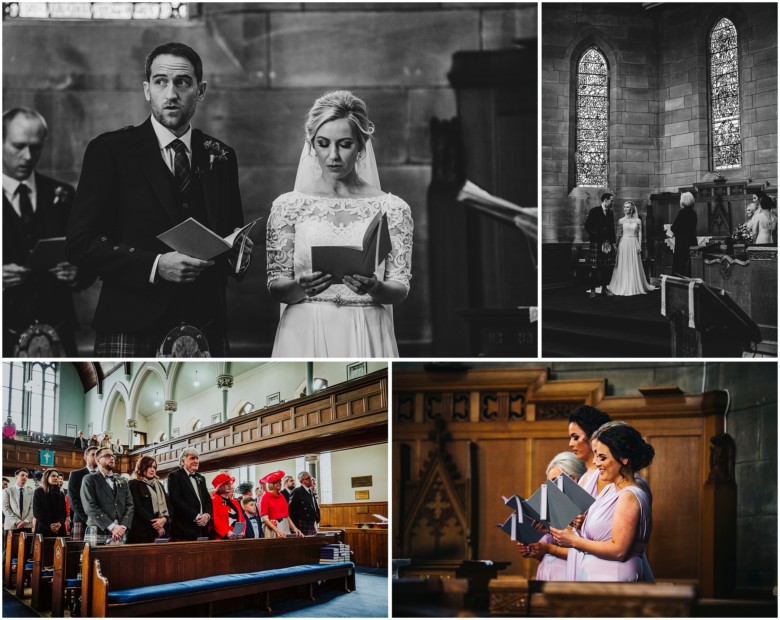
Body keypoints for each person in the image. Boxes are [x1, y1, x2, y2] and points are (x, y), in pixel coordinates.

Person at [66, 42, 252, 357]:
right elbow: (80, 244)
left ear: (200, 89)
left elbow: (231, 236)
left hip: (205, 321)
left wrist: (239, 254)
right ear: (147, 89)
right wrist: (155, 265)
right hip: (130, 321)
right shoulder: (110, 151)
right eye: (160, 81)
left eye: (182, 82)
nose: (171, 93)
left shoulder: (221, 156)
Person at [267, 90, 413, 357]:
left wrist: (376, 288)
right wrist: (301, 286)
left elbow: (400, 287)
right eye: (323, 144)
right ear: (312, 145)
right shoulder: (287, 206)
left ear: (361, 145)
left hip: (367, 323)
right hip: (304, 327)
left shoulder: (392, 208)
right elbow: (277, 285)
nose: (333, 155)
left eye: (344, 144)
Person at [2, 107, 90, 356]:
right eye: (18, 146)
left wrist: (77, 273)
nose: (28, 156)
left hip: (57, 328)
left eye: (35, 147)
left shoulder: (61, 194)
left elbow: (88, 255)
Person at [551, 423, 655, 582]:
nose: (597, 463)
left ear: (624, 458)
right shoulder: (611, 490)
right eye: (596, 456)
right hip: (597, 576)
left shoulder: (629, 495)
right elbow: (608, 530)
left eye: (603, 457)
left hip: (615, 577)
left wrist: (573, 540)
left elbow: (619, 550)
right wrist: (583, 524)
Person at [517, 452, 587, 580]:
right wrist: (533, 548)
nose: (552, 488)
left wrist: (548, 548)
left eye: (555, 481)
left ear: (573, 479)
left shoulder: (586, 508)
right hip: (547, 575)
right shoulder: (553, 508)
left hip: (570, 576)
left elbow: (586, 554)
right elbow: (545, 554)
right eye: (550, 483)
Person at [80, 448, 134, 543]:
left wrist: (123, 526)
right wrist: (112, 527)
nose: (112, 458)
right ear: (97, 460)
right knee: (94, 558)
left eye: (113, 456)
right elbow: (90, 506)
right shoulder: (89, 479)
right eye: (107, 456)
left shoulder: (122, 480)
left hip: (120, 530)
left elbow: (130, 505)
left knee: (119, 558)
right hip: (98, 528)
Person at [606, 201, 655, 296]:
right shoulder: (621, 220)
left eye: (628, 207)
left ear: (632, 209)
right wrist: (615, 245)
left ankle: (634, 285)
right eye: (624, 207)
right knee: (624, 263)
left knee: (634, 264)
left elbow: (640, 234)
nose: (625, 209)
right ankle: (622, 284)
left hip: (634, 243)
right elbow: (618, 234)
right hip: (623, 243)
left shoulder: (638, 221)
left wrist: (639, 245)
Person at [167, 447, 212, 540]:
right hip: (183, 528)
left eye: (197, 458)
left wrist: (207, 515)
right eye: (192, 458)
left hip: (202, 528)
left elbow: (207, 499)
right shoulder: (175, 476)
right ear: (183, 461)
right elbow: (176, 500)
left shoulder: (200, 478)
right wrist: (196, 516)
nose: (196, 461)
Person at [128, 456, 169, 543]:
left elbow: (168, 505)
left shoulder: (159, 485)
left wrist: (164, 519)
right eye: (149, 466)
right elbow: (138, 507)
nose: (152, 470)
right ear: (142, 467)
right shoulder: (134, 483)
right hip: (142, 530)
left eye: (154, 467)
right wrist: (157, 525)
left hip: (161, 528)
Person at [584, 192, 616, 298]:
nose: (612, 202)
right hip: (596, 243)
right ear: (606, 200)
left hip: (607, 244)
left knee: (606, 268)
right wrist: (595, 234)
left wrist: (613, 243)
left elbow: (612, 229)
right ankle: (593, 290)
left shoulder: (610, 213)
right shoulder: (594, 211)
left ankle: (604, 289)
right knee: (594, 268)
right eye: (611, 200)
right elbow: (587, 226)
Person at [258, 470, 302, 538]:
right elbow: (265, 519)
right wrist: (277, 530)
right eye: (276, 482)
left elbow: (287, 516)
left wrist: (294, 528)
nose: (280, 483)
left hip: (285, 526)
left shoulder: (281, 496)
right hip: (273, 528)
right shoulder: (265, 497)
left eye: (280, 481)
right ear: (271, 484)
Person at [67, 446, 98, 541]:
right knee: (78, 552)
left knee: (98, 552)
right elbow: (73, 501)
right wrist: (88, 518)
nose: (96, 457)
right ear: (85, 457)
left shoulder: (103, 475)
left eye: (98, 455)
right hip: (81, 519)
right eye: (93, 454)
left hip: (100, 521)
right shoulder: (76, 474)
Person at [668, 191, 697, 277]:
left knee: (680, 265)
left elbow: (675, 227)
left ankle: (679, 286)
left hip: (682, 243)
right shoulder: (693, 213)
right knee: (690, 266)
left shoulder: (682, 212)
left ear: (683, 200)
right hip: (691, 241)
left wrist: (671, 228)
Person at [32, 468, 67, 537]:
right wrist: (49, 525)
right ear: (46, 477)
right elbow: (37, 512)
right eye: (53, 476)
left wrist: (60, 523)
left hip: (59, 528)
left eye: (57, 476)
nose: (56, 478)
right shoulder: (39, 492)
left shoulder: (61, 494)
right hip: (44, 527)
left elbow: (64, 512)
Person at [210, 473, 245, 539]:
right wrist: (227, 532)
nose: (229, 485)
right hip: (222, 537)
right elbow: (215, 519)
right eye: (226, 483)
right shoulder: (214, 501)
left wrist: (242, 531)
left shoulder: (235, 502)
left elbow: (242, 518)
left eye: (230, 483)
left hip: (237, 537)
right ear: (219, 486)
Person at [288, 471, 320, 536]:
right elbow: (291, 510)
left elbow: (314, 506)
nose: (310, 480)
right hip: (302, 523)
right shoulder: (297, 491)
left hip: (312, 522)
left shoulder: (310, 491)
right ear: (301, 481)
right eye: (308, 479)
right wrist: (294, 527)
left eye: (310, 478)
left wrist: (317, 518)